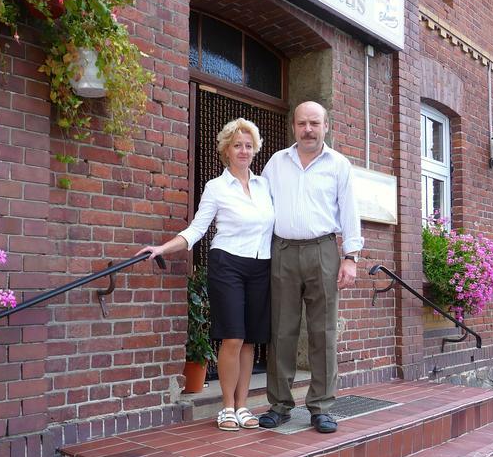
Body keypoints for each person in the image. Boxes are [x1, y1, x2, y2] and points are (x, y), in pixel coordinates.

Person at [137, 118, 275, 431]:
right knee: (233, 336)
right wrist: (162, 249)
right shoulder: (216, 187)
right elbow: (197, 230)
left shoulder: (264, 185)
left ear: (255, 150)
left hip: (261, 265)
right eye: (237, 145)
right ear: (226, 149)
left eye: (248, 145)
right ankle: (226, 406)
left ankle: (243, 406)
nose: (243, 150)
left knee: (250, 340)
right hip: (227, 263)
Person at [258, 101, 363, 434]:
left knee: (323, 331)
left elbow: (349, 211)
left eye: (314, 123)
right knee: (281, 330)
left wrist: (351, 257)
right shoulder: (276, 163)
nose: (308, 129)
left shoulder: (339, 165)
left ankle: (321, 407)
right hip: (283, 252)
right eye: (302, 123)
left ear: (326, 126)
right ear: (293, 126)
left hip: (322, 251)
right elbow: (262, 209)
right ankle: (280, 404)